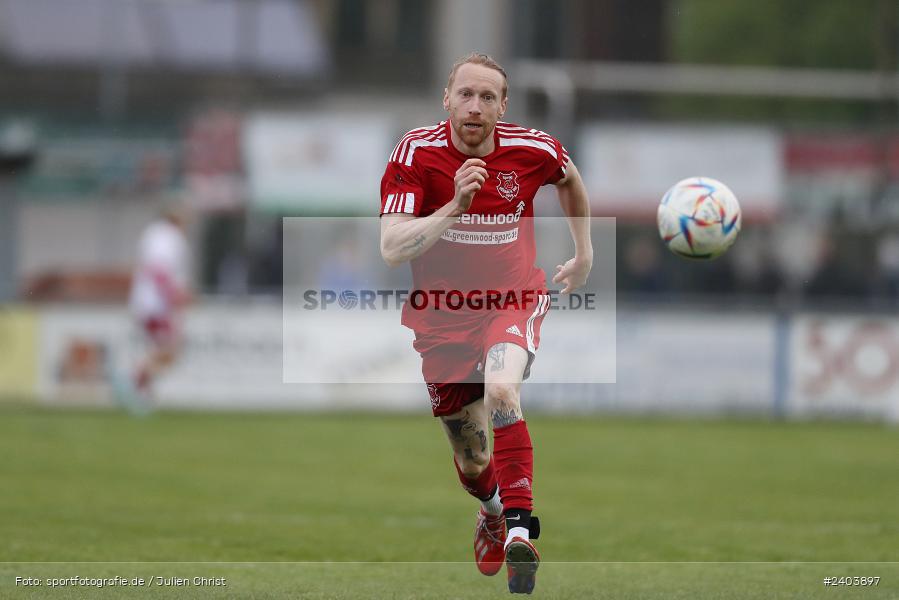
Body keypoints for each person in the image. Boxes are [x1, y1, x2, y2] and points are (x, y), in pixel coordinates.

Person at [379, 53, 592, 594]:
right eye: (466, 94)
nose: (475, 106)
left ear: (503, 107)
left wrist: (584, 251)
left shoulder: (533, 149)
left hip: (512, 299)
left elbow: (569, 179)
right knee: (472, 458)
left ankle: (521, 529)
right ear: (446, 100)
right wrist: (455, 204)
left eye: (488, 97)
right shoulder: (416, 153)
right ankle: (493, 513)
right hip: (443, 317)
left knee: (501, 387)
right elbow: (391, 248)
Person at [127, 207, 192, 407]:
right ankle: (134, 378)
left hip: (148, 300)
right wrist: (175, 294)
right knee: (170, 350)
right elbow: (159, 269)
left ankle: (142, 393)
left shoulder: (154, 233)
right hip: (157, 303)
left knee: (163, 350)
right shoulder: (168, 236)